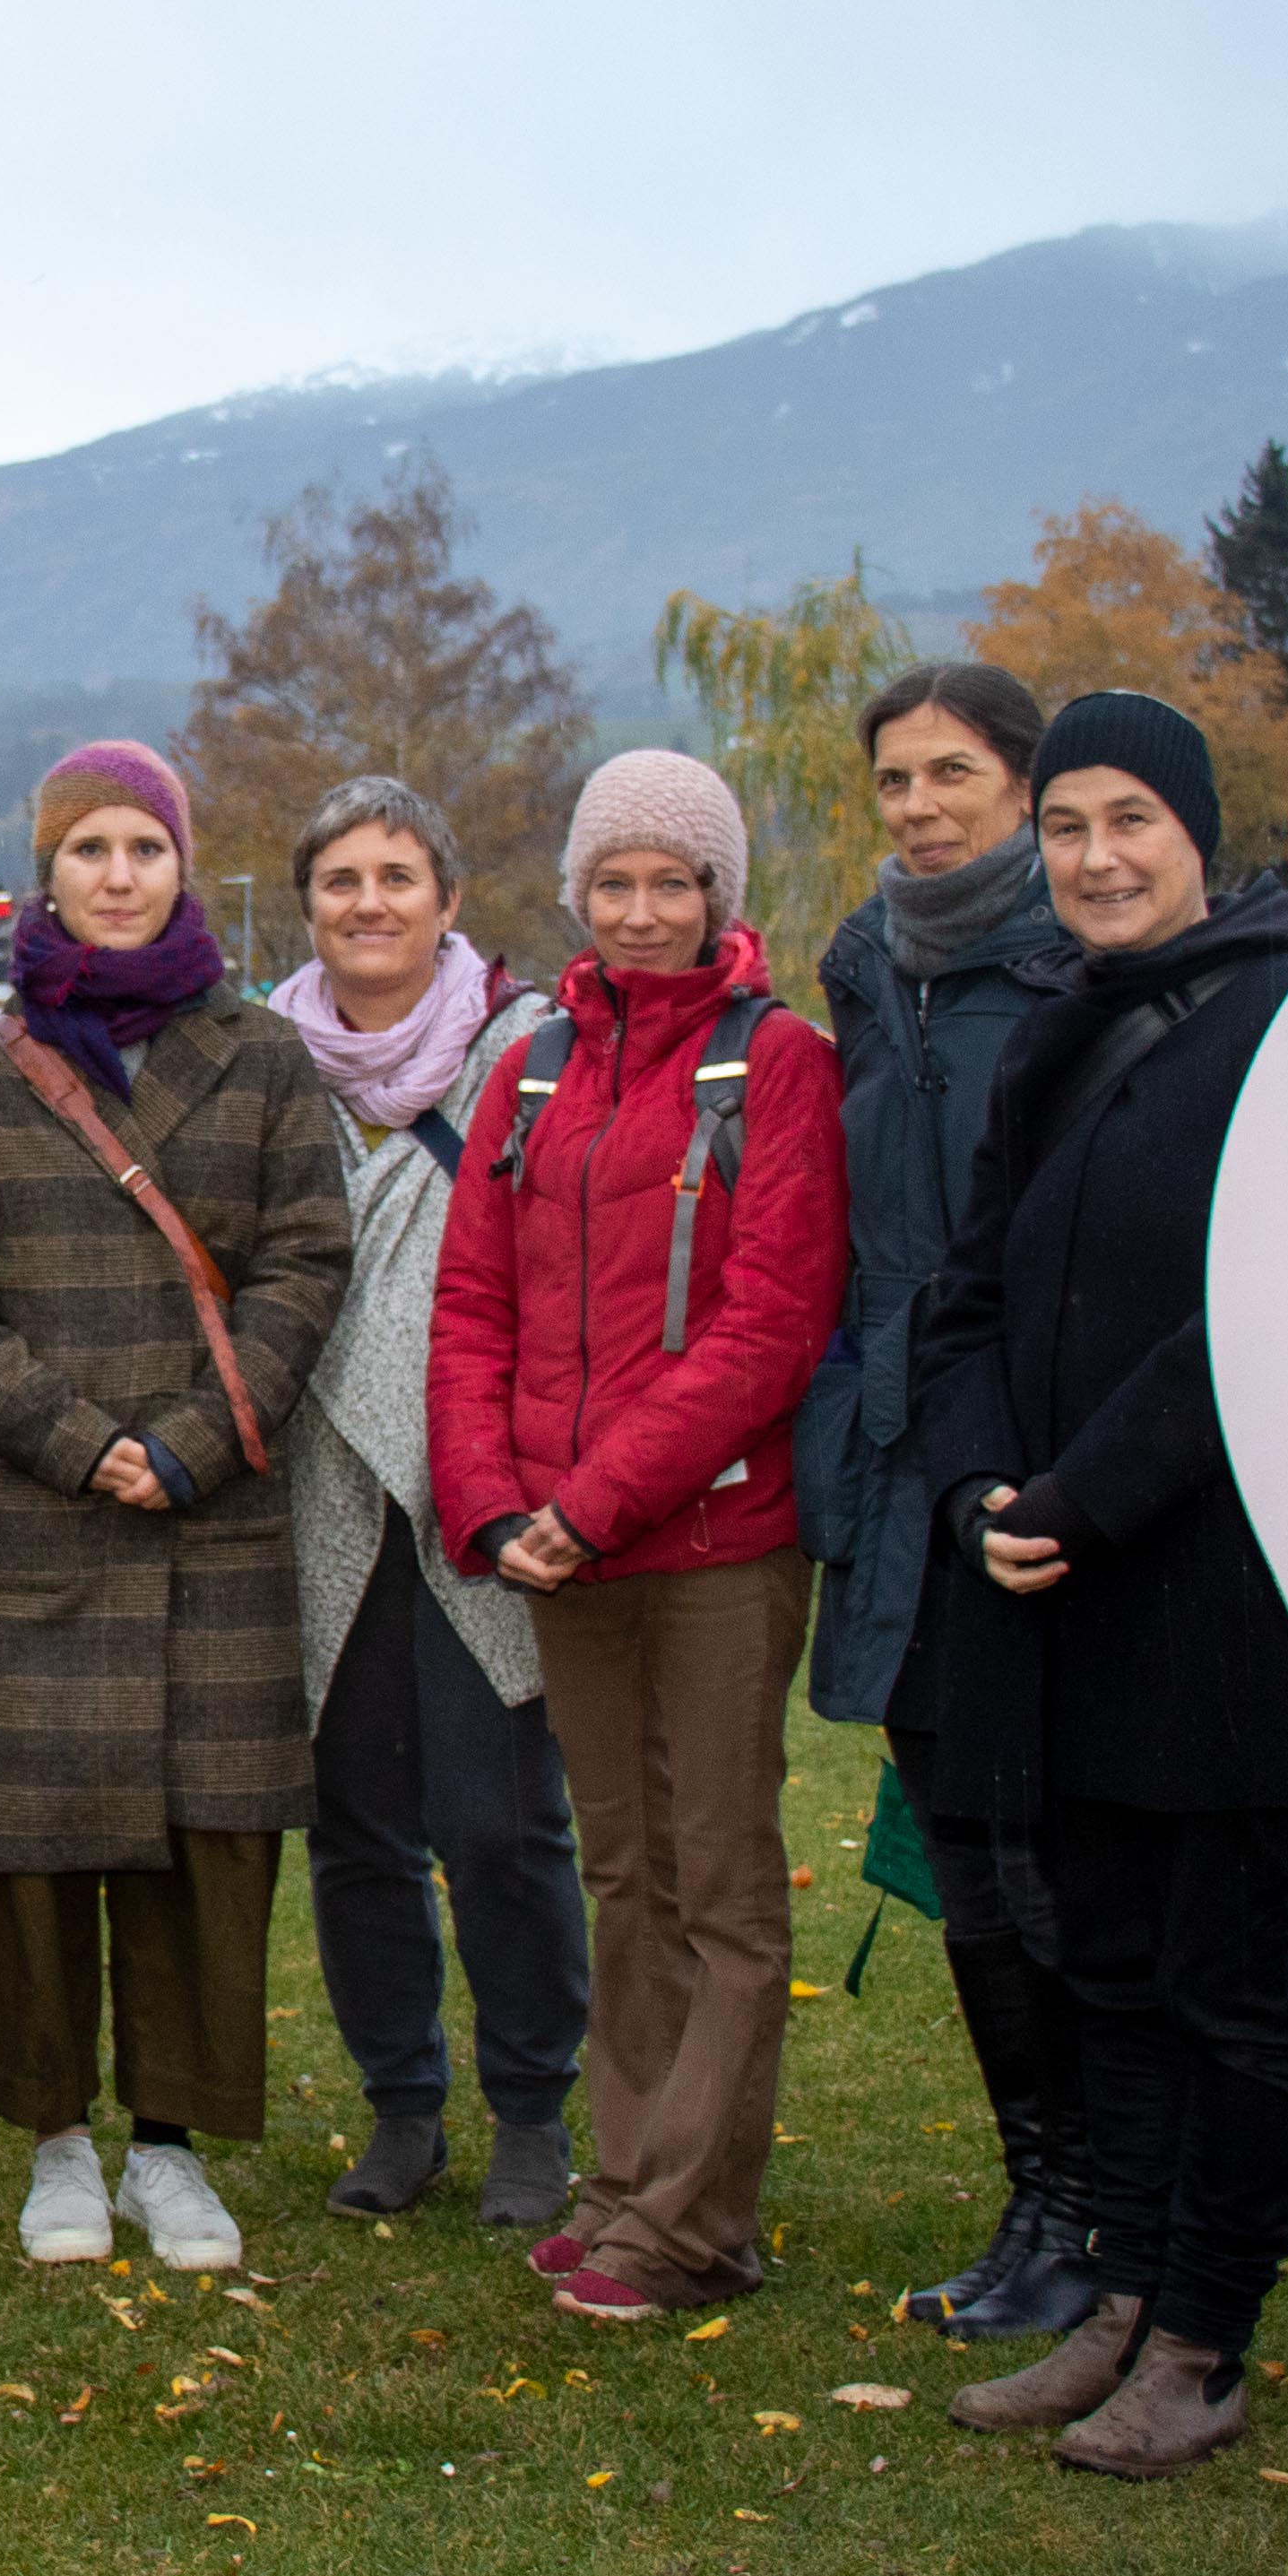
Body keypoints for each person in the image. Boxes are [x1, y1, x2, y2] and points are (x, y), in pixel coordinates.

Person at [910, 691, 1288, 2478]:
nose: (1096, 856)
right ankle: (1123, 2294)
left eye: (1131, 823)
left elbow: (1265, 1310)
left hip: (1223, 1591)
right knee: (1105, 1967)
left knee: (1225, 1974)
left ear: (1198, 833)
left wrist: (1086, 1495)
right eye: (1071, 823)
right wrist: (972, 1483)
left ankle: (1205, 2333)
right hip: (1052, 1579)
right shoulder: (1055, 1028)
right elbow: (973, 1290)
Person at [0, 742, 350, 2275]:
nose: (121, 874)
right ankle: (56, 2143)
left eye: (147, 847)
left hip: (211, 1511)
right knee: (22, 1853)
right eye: (91, 849)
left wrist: (204, 1435)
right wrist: (78, 1441)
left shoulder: (264, 1056)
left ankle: (171, 2146)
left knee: (210, 1845)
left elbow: (304, 1262)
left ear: (185, 867)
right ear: (49, 870)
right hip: (31, 1507)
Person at [425, 749, 848, 2322]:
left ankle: (692, 2223)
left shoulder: (775, 1064)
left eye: (677, 881)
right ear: (578, 896)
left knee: (720, 1885)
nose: (646, 909)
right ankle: (625, 2185)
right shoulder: (532, 1064)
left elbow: (769, 1328)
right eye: (617, 881)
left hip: (714, 1547)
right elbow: (473, 1301)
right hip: (556, 1546)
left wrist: (591, 1502)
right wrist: (488, 1500)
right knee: (622, 1874)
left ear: (722, 896)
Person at [793, 661, 1096, 2339]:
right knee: (962, 1862)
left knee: (1051, 1861)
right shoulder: (869, 971)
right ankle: (1039, 2195)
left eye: (955, 773)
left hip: (1028, 1461)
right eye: (896, 778)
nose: (921, 805)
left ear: (1024, 787)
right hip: (896, 1460)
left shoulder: (1073, 969)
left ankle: (1111, 2207)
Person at [262, 775, 586, 2228]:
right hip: (316, 1487)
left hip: (477, 1488)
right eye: (343, 880)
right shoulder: (257, 1060)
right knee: (355, 1826)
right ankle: (403, 2108)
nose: (371, 902)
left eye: (400, 876)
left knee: (502, 1822)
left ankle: (531, 2113)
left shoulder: (534, 1052)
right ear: (307, 904)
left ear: (450, 900)